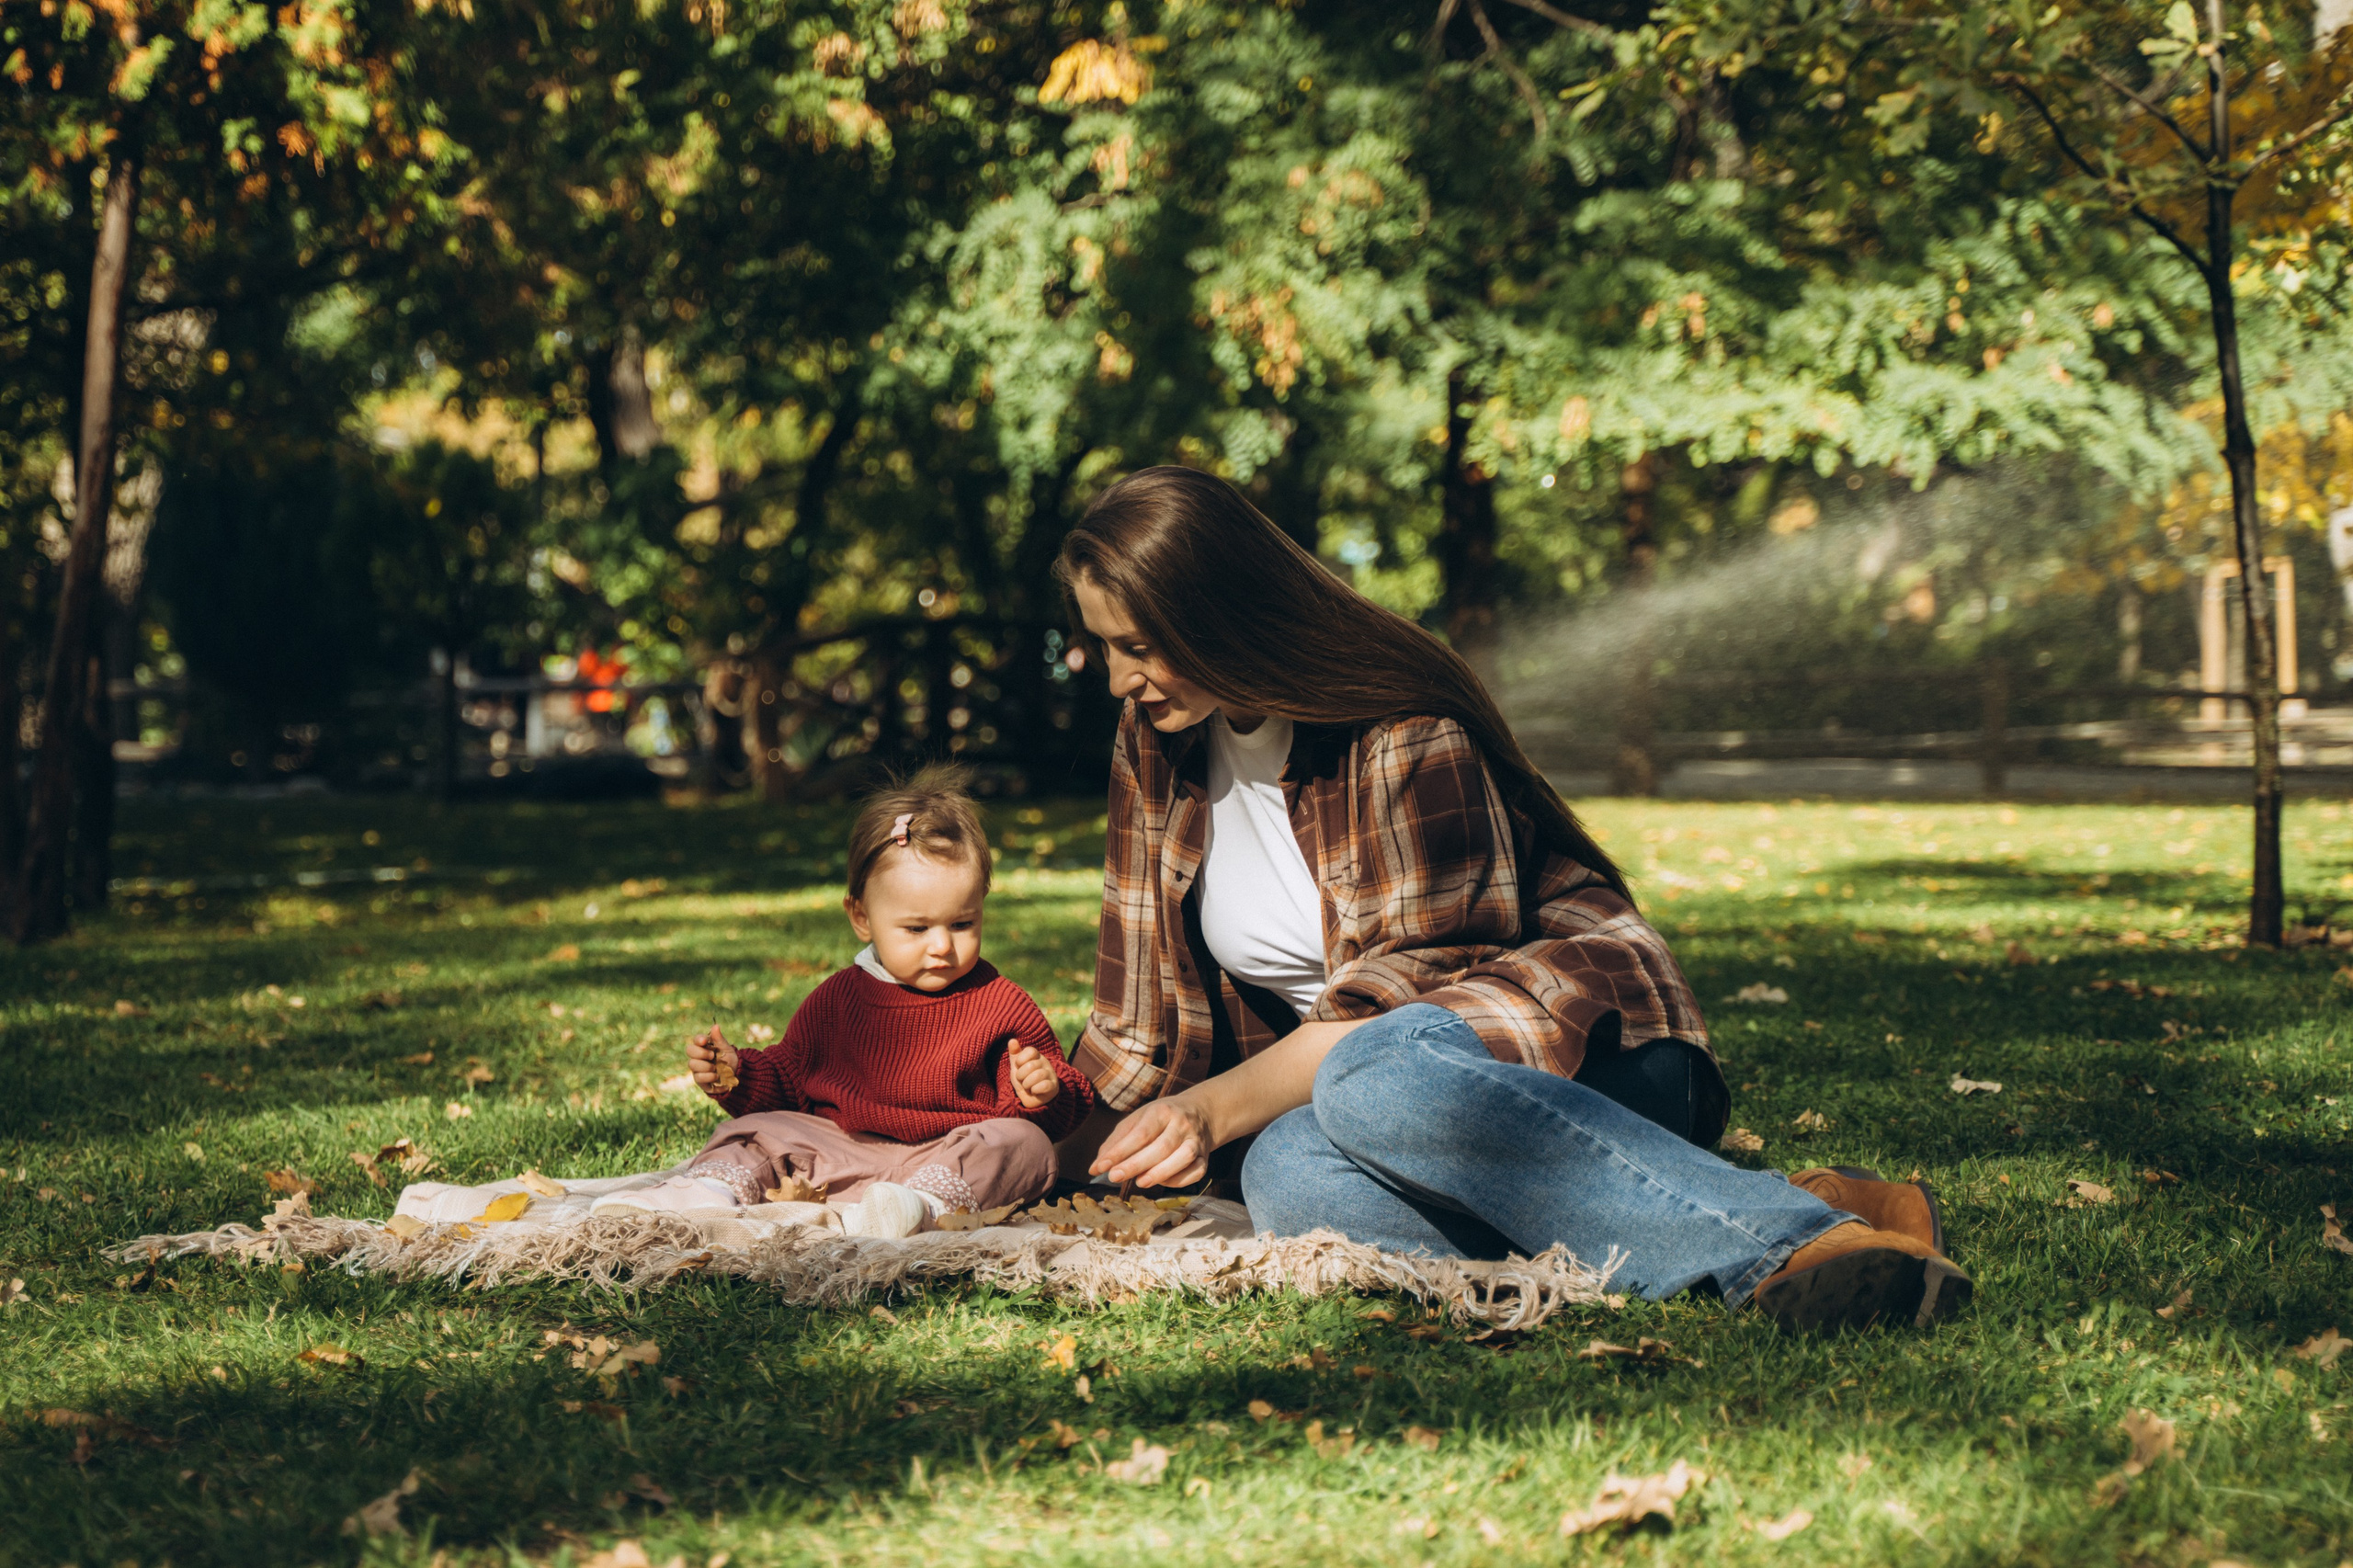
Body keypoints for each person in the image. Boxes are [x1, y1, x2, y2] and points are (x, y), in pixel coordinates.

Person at [1052, 466, 1968, 1332]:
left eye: (1138, 645)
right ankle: (1778, 1203)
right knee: (1288, 1170)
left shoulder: (1401, 730)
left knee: (1366, 1076)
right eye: (1101, 645)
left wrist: (1210, 1110)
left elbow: (1404, 1007)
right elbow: (1133, 1028)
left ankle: (1790, 1245)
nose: (1117, 676)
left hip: (1577, 1065)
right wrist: (1014, 1151)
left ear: (1220, 615)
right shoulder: (1153, 744)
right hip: (1391, 1113)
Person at [597, 767, 1095, 1237]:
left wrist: (1043, 1091)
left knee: (1023, 1148)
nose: (942, 945)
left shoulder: (999, 1003)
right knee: (757, 1131)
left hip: (948, 1159)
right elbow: (790, 1080)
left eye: (962, 924)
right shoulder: (839, 999)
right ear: (862, 918)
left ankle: (919, 1211)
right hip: (843, 1152)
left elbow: (1052, 1110)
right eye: (917, 928)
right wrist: (740, 1074)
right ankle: (708, 1192)